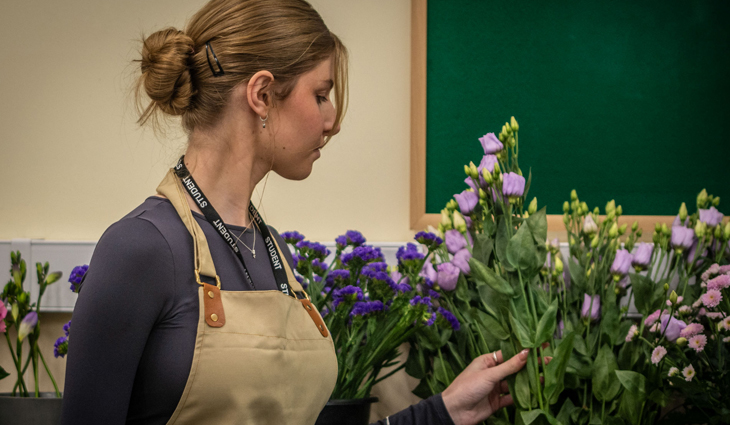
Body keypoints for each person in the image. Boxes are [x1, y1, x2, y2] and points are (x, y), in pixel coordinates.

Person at [59, 1, 528, 424]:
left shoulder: (271, 249)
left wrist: (442, 411)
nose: (333, 120)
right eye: (320, 94)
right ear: (262, 94)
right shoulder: (141, 250)